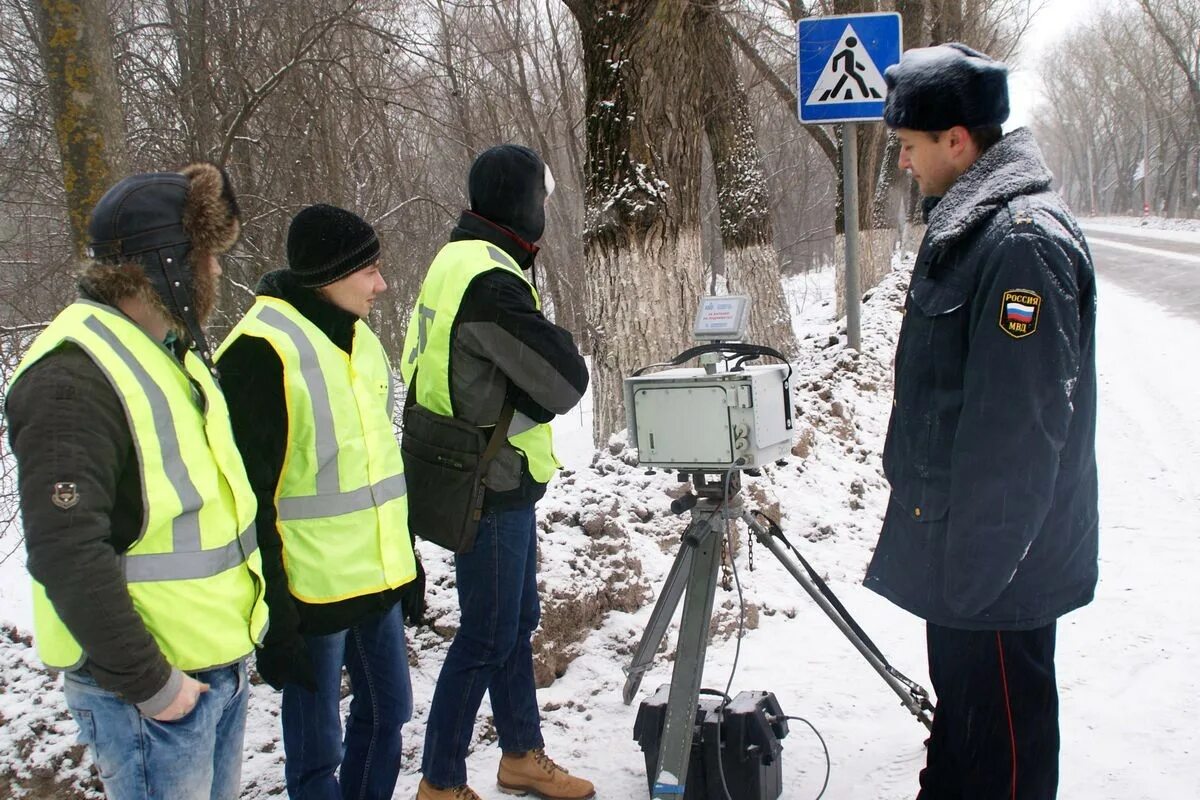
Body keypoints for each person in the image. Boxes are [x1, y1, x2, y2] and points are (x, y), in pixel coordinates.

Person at [863, 44, 1099, 800]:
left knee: (1003, 757)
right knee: (964, 732)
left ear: (957, 141)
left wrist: (975, 580)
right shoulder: (973, 228)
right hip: (965, 558)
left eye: (908, 147)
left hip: (996, 568)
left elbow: (1020, 436)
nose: (903, 163)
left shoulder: (1020, 243)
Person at [6, 163, 267, 800]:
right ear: (169, 265)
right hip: (151, 694)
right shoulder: (74, 375)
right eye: (206, 258)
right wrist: (154, 686)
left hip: (212, 671)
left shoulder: (166, 353)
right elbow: (67, 552)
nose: (215, 273)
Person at [402, 144, 592, 800]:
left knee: (512, 622)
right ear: (524, 204)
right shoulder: (491, 281)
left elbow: (421, 367)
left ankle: (520, 754)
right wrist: (547, 361)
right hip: (491, 482)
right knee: (487, 630)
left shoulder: (454, 260)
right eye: (541, 199)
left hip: (475, 472)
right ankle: (440, 782)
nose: (545, 211)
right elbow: (567, 380)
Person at [215, 204, 420, 800]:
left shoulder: (360, 339)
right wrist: (275, 610)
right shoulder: (259, 353)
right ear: (330, 275)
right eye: (370, 271)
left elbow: (376, 464)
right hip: (309, 597)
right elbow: (247, 498)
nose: (382, 284)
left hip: (376, 581)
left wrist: (404, 562)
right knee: (316, 754)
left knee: (389, 717)